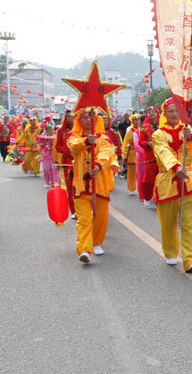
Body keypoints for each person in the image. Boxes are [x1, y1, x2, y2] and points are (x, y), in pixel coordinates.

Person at [152, 99, 192, 271]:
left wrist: (189, 137)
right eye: (170, 111)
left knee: (189, 223)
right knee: (168, 223)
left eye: (177, 111)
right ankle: (171, 252)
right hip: (167, 182)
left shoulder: (188, 131)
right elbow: (163, 151)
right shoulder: (158, 134)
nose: (174, 114)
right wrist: (175, 166)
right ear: (164, 114)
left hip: (187, 181)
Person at [67, 108, 119, 263]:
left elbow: (106, 152)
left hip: (100, 184)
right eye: (84, 117)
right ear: (79, 121)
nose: (88, 119)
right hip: (81, 185)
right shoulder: (74, 138)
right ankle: (84, 249)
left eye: (91, 116)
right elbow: (74, 147)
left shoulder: (104, 138)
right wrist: (86, 142)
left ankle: (96, 242)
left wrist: (98, 165)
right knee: (83, 220)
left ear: (96, 120)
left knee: (100, 217)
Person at [55, 110, 76, 218]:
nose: (71, 118)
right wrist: (67, 150)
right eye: (69, 116)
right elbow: (58, 146)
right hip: (67, 162)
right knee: (69, 186)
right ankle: (73, 210)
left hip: (79, 161)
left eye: (73, 116)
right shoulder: (61, 131)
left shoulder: (81, 130)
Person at [137, 106, 160, 207]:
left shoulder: (163, 125)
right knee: (148, 181)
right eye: (149, 112)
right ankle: (147, 196)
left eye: (153, 111)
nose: (151, 113)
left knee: (162, 180)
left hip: (162, 158)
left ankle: (159, 198)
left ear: (157, 113)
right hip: (150, 158)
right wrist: (147, 144)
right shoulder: (143, 127)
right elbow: (140, 142)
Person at [121, 114, 140, 195]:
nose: (137, 122)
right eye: (135, 120)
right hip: (132, 155)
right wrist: (124, 156)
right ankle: (131, 188)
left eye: (138, 120)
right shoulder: (129, 132)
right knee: (131, 173)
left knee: (141, 174)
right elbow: (125, 144)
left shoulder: (143, 130)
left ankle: (142, 190)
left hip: (141, 154)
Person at [37, 122, 56, 188]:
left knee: (53, 170)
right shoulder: (42, 137)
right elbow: (39, 146)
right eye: (50, 130)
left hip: (53, 156)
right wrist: (44, 148)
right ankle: (46, 181)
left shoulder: (55, 136)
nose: (51, 131)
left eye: (52, 130)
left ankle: (53, 182)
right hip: (45, 156)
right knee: (46, 170)